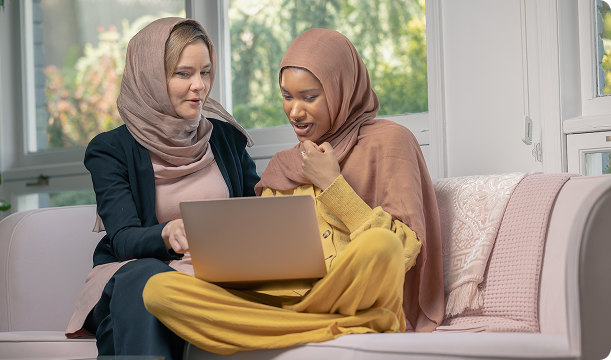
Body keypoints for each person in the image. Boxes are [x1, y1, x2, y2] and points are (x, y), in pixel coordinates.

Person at [142, 28, 444, 355]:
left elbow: (404, 250)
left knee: (381, 244)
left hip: (349, 291)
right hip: (281, 300)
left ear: (342, 90)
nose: (295, 112)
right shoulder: (284, 163)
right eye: (287, 96)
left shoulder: (390, 142)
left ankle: (294, 327)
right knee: (158, 290)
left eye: (309, 97)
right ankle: (355, 325)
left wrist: (333, 184)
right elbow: (265, 256)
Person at [64, 17, 260, 360]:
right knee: (149, 277)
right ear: (151, 77)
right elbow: (123, 238)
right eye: (183, 73)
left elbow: (254, 218)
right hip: (131, 274)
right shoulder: (111, 149)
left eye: (205, 72)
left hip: (209, 276)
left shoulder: (227, 138)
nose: (199, 85)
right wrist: (168, 234)